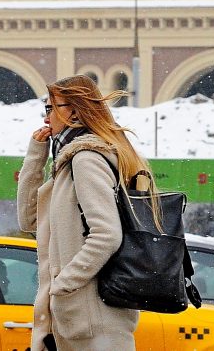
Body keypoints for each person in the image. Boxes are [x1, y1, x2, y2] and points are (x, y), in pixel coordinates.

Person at [17, 74, 157, 351]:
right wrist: (36, 154)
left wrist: (64, 285)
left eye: (51, 108)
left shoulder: (87, 158)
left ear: (74, 111)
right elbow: (29, 219)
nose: (46, 118)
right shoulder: (69, 161)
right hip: (80, 321)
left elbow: (106, 235)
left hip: (95, 322)